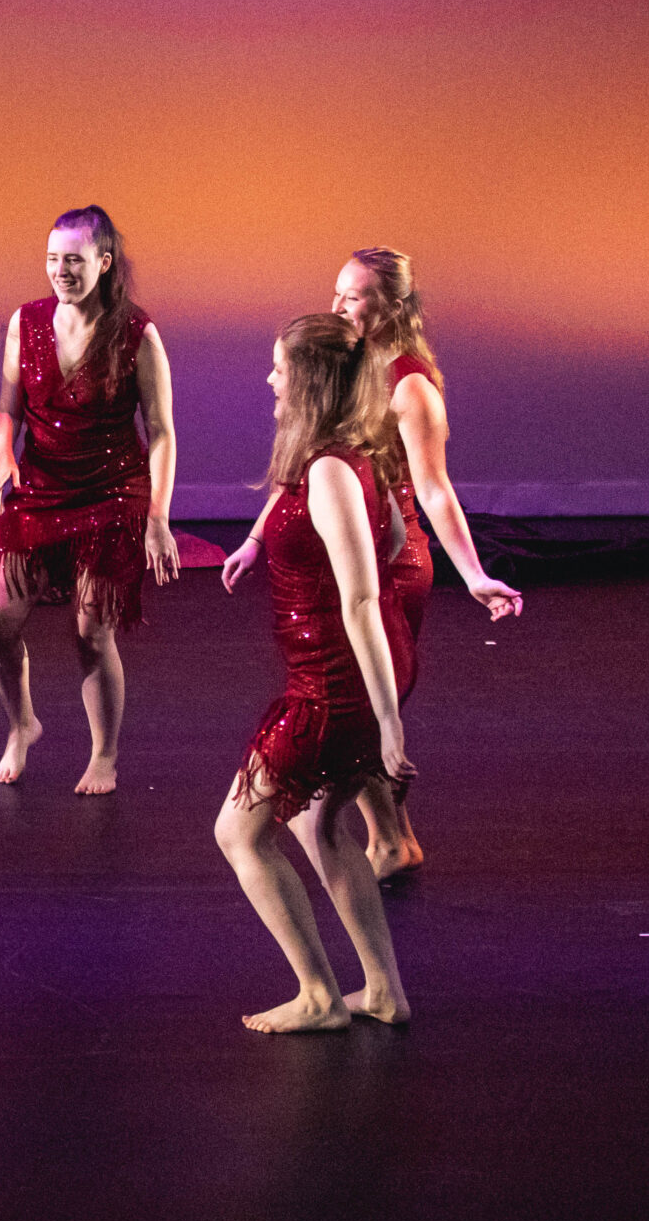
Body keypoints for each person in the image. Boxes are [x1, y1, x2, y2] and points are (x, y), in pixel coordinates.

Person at [223, 248, 521, 877]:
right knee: (347, 702)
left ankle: (389, 838)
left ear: (394, 305)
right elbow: (306, 459)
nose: (339, 306)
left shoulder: (409, 384)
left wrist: (474, 575)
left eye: (353, 296)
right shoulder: (340, 361)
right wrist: (255, 538)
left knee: (353, 699)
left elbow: (434, 488)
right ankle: (393, 836)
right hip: (342, 536)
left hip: (394, 554)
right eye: (337, 293)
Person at [214, 314, 414, 1032]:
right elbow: (389, 540)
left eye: (279, 368)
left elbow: (363, 594)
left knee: (238, 835)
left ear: (311, 382)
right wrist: (259, 542)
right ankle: (383, 989)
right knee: (321, 828)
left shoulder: (331, 469)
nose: (270, 379)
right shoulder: (347, 455)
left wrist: (389, 722)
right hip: (333, 679)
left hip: (327, 690)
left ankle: (320, 995)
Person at [0, 205, 181, 795]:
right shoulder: (26, 322)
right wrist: (4, 456)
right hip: (42, 488)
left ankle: (105, 753)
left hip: (113, 489)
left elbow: (162, 431)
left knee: (92, 631)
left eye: (73, 260)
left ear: (104, 262)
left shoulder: (136, 334)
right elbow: (8, 409)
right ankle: (23, 725)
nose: (59, 271)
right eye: (51, 259)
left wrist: (159, 517)